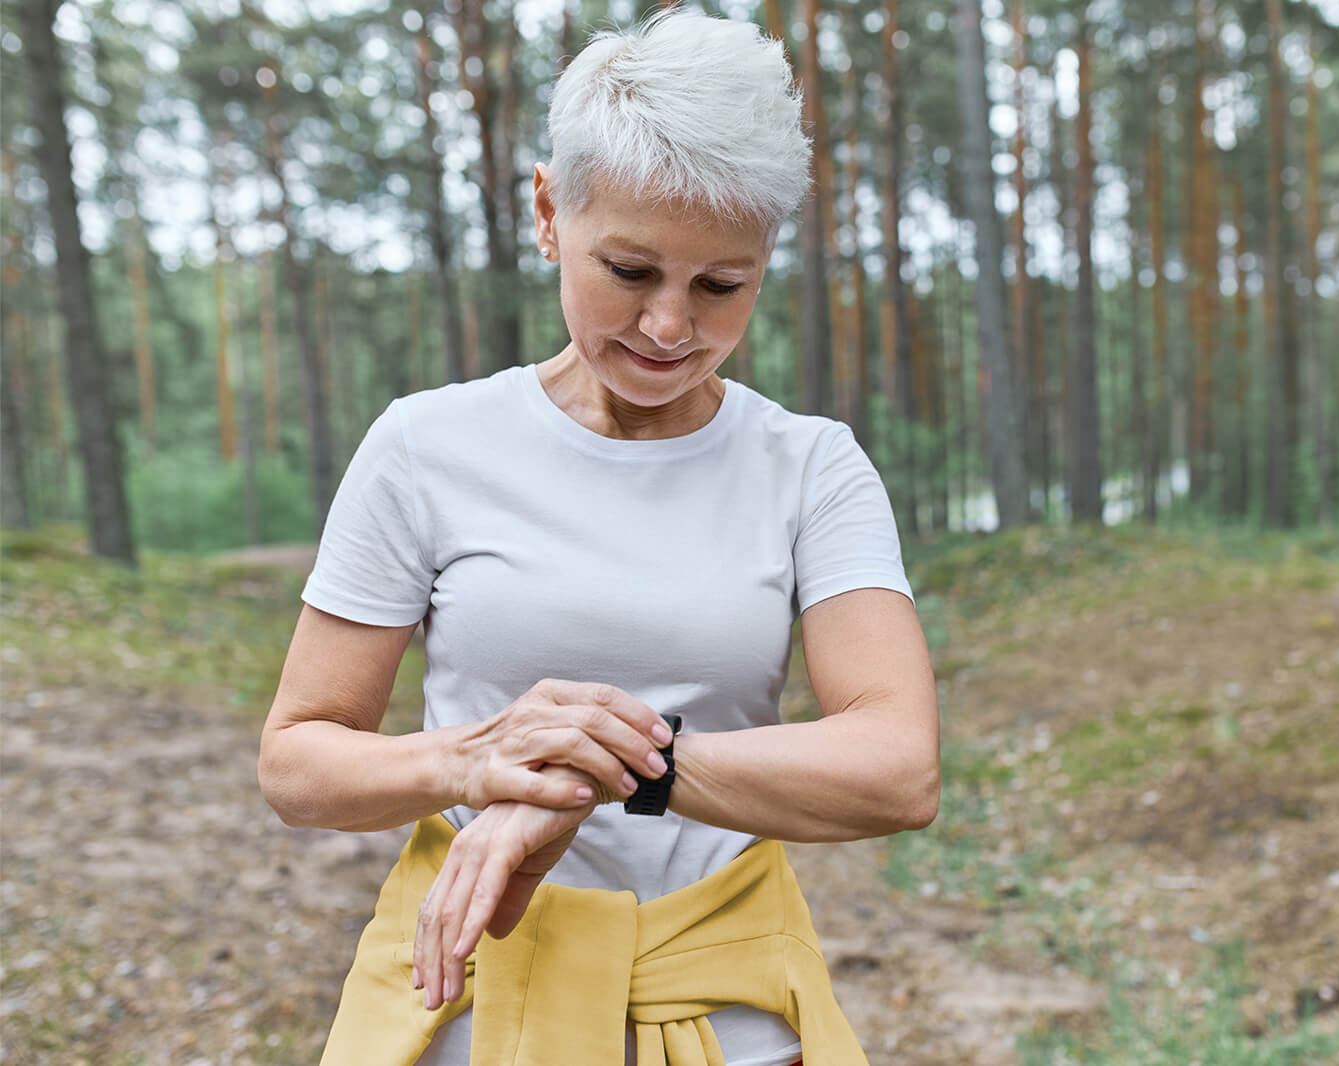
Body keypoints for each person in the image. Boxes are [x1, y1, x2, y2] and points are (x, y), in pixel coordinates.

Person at [258, 9, 940, 1065]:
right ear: (546, 212)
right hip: (471, 999)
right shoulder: (426, 445)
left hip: (728, 1010)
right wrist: (475, 761)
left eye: (722, 285)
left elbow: (898, 768)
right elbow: (300, 763)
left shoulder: (811, 467)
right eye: (628, 270)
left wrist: (605, 771)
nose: (671, 327)